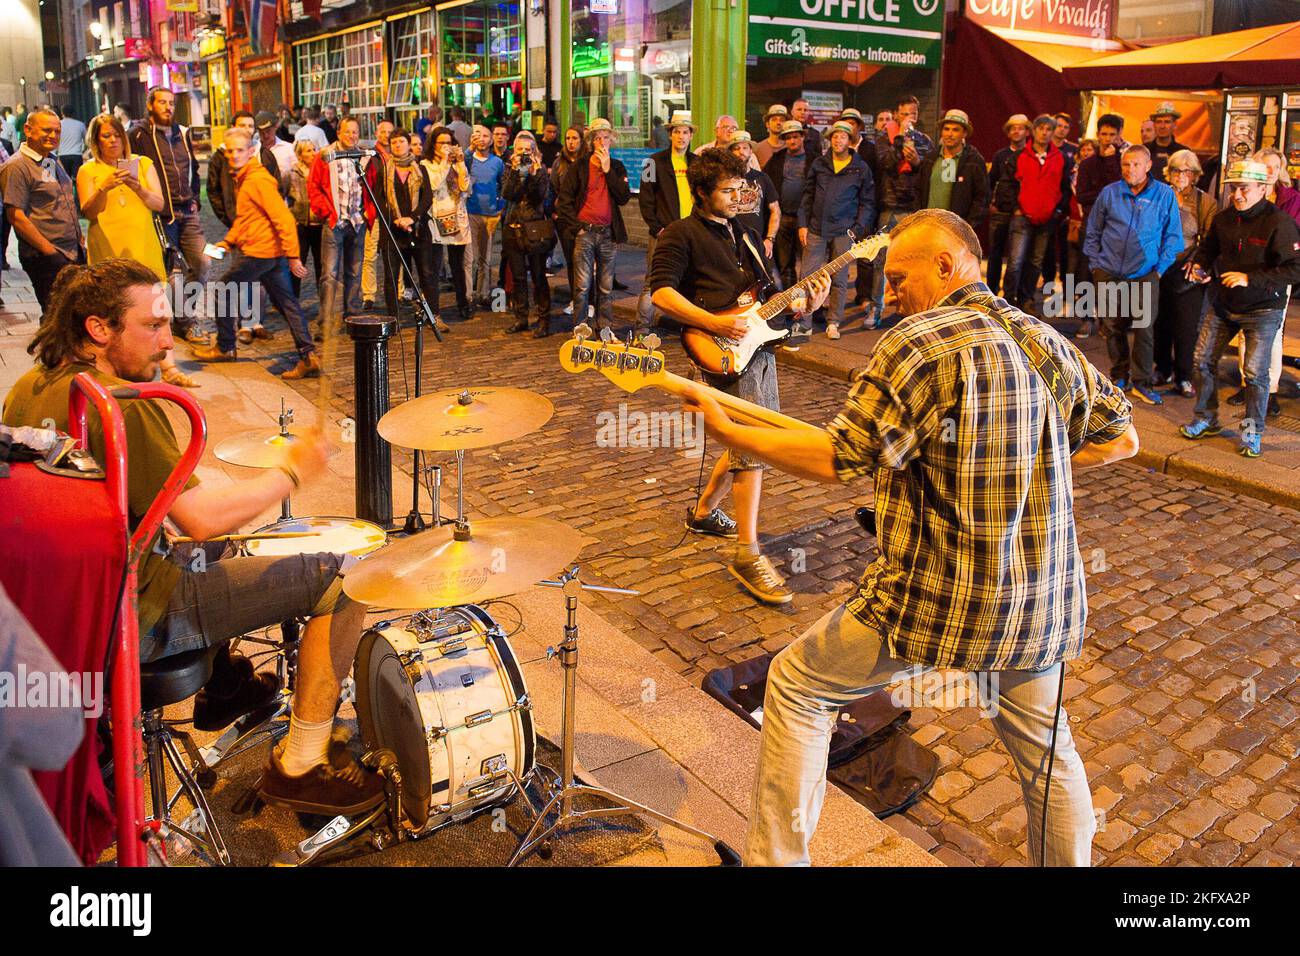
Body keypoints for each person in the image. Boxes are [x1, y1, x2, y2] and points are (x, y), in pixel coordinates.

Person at [680, 207, 1137, 867]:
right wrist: (1016, 456)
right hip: (1039, 598)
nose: (888, 291)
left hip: (932, 592)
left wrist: (727, 432)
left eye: (898, 276)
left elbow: (841, 458)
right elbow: (1121, 438)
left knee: (798, 684)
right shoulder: (1047, 340)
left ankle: (777, 861)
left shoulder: (918, 341)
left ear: (947, 264)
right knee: (1047, 755)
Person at [3, 260, 386, 815]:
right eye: (153, 327)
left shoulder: (27, 387)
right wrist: (293, 470)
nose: (166, 342)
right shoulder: (118, 405)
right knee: (342, 577)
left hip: (76, 606)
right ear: (98, 329)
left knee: (226, 555)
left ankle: (225, 685)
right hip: (140, 609)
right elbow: (202, 517)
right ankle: (302, 764)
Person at [651, 150, 832, 606]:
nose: (739, 197)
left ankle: (704, 511)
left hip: (759, 350)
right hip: (719, 349)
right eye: (729, 191)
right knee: (752, 448)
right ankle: (747, 552)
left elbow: (767, 297)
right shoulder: (680, 234)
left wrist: (804, 306)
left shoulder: (748, 232)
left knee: (748, 441)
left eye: (742, 189)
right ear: (702, 192)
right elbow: (662, 294)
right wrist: (713, 324)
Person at [1179, 160, 1300, 458]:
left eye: (1244, 189)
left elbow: (1295, 269)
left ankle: (1251, 432)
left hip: (1263, 309)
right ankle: (1206, 418)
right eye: (1233, 189)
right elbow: (1209, 249)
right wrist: (1200, 267)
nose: (1237, 195)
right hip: (1224, 303)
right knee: (1202, 361)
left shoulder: (1280, 223)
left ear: (1264, 189)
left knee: (1255, 374)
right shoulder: (1224, 218)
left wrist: (1251, 278)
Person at [76, 112, 197, 389]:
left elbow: (158, 203)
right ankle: (120, 364)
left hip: (143, 245)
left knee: (156, 304)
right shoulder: (88, 170)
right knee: (112, 308)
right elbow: (89, 211)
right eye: (106, 136)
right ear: (96, 141)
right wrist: (103, 189)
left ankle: (168, 366)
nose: (113, 140)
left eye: (117, 134)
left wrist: (137, 187)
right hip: (108, 247)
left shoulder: (142, 164)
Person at [193, 128, 316, 379]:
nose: (234, 155)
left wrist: (293, 256)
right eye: (230, 151)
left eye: (240, 150)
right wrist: (226, 243)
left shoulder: (257, 180)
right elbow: (246, 219)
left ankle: (225, 347)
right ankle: (309, 356)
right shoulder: (246, 179)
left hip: (261, 251)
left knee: (223, 289)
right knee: (288, 304)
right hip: (267, 252)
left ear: (251, 152)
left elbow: (283, 218)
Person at [1083, 144, 1183, 406]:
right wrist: (1096, 265)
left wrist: (1159, 270)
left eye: (1136, 164)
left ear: (1148, 166)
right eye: (1126, 164)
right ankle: (1119, 376)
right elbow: (1093, 229)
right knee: (1111, 325)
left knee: (1144, 328)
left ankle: (1142, 381)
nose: (1130, 169)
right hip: (1108, 271)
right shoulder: (1110, 193)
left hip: (1145, 273)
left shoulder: (1164, 195)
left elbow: (1173, 237)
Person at [1226, 147, 1300, 416]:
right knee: (1247, 332)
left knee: (1273, 335)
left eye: (1273, 168)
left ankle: (1271, 390)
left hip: (1277, 276)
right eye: (1263, 167)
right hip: (1247, 274)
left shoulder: (1290, 199)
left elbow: (1287, 234)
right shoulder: (1245, 196)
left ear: (1280, 171)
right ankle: (1247, 385)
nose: (1269, 172)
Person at [129, 86, 207, 343]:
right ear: (150, 105)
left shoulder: (181, 133)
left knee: (203, 263)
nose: (168, 107)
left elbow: (193, 169)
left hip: (188, 211)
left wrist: (195, 198)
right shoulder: (137, 135)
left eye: (171, 103)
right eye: (162, 102)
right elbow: (131, 172)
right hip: (161, 214)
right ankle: (188, 324)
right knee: (172, 272)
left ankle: (180, 313)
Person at [1, 109, 85, 313]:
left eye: (57, 131)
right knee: (56, 316)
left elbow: (61, 201)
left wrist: (79, 240)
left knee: (71, 314)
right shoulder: (17, 166)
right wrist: (49, 251)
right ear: (28, 130)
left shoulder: (51, 159)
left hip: (72, 251)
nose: (53, 136)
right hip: (46, 256)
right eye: (47, 130)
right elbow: (16, 216)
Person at [798, 120, 875, 339]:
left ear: (850, 141)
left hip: (844, 231)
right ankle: (805, 322)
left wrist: (857, 229)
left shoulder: (860, 167)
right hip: (815, 228)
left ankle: (834, 322)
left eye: (843, 136)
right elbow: (808, 195)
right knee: (808, 276)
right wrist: (802, 223)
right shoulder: (820, 164)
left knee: (840, 279)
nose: (838, 140)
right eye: (834, 136)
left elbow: (867, 202)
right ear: (830, 139)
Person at [364, 128, 444, 334]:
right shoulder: (385, 169)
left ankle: (434, 315)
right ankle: (394, 319)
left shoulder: (420, 168)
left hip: (418, 230)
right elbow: (378, 199)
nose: (398, 145)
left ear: (409, 144)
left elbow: (427, 198)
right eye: (394, 142)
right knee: (391, 276)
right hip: (393, 230)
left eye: (401, 141)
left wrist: (413, 217)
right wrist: (396, 219)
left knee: (427, 273)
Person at [555, 118, 630, 334]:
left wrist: (608, 171)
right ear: (590, 141)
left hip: (607, 233)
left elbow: (623, 197)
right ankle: (581, 328)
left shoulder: (616, 166)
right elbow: (565, 199)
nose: (602, 142)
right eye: (597, 138)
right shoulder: (579, 166)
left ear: (611, 140)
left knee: (605, 287)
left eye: (606, 138)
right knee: (582, 286)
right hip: (585, 232)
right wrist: (576, 227)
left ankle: (605, 327)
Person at [1153, 149, 1216, 398]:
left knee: (1186, 327)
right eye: (1177, 169)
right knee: (1159, 323)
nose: (1181, 175)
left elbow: (1212, 239)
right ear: (1169, 172)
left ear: (1196, 175)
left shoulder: (1205, 203)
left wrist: (1200, 262)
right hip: (1159, 267)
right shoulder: (1158, 196)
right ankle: (1163, 369)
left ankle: (1184, 376)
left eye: (1187, 171)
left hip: (1189, 271)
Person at [308, 116, 374, 333]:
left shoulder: (363, 156)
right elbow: (314, 187)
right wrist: (325, 212)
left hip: (357, 221)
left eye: (355, 132)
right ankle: (327, 318)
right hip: (335, 221)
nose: (352, 136)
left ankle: (352, 314)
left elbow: (372, 187)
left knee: (355, 271)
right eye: (347, 131)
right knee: (329, 273)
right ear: (338, 133)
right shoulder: (325, 156)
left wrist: (368, 213)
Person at [871, 95, 934, 322]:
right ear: (897, 115)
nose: (910, 118)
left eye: (914, 114)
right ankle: (875, 309)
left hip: (912, 208)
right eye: (906, 114)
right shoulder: (884, 138)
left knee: (913, 263)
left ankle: (909, 311)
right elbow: (885, 163)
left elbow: (929, 171)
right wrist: (899, 142)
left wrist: (918, 162)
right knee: (881, 261)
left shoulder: (924, 140)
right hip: (889, 207)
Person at [1002, 114, 1071, 314]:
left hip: (1047, 218)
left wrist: (1058, 211)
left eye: (1048, 129)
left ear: (1053, 132)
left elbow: (1065, 187)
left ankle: (1026, 299)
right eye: (1040, 128)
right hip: (1021, 216)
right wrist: (1015, 207)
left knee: (1035, 262)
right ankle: (1007, 301)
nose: (1044, 132)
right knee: (1015, 262)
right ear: (1034, 131)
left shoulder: (1060, 158)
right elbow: (1010, 185)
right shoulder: (1020, 155)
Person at [637, 110, 697, 333]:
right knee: (652, 281)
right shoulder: (652, 162)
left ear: (691, 136)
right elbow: (645, 199)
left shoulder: (697, 163)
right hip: (663, 232)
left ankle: (690, 328)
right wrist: (656, 227)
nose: (681, 136)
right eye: (677, 132)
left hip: (691, 232)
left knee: (691, 280)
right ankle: (642, 329)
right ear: (670, 134)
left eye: (685, 132)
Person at [501, 131, 553, 337]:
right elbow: (507, 194)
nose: (524, 154)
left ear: (535, 152)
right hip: (513, 228)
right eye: (520, 150)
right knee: (519, 277)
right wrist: (516, 171)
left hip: (534, 229)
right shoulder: (509, 168)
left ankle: (543, 319)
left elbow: (539, 196)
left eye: (528, 150)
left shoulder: (540, 171)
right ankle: (521, 318)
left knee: (539, 276)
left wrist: (533, 173)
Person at [421, 126, 473, 324]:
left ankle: (463, 303)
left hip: (457, 216)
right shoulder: (426, 164)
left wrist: (460, 164)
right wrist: (445, 161)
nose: (445, 147)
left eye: (448, 143)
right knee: (433, 267)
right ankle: (433, 311)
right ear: (433, 145)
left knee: (458, 264)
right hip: (436, 218)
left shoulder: (455, 163)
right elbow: (434, 184)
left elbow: (466, 187)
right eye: (441, 143)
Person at [915, 109, 988, 231]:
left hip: (956, 230)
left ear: (964, 133)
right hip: (927, 225)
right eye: (946, 129)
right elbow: (917, 189)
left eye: (955, 130)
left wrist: (967, 226)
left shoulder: (974, 161)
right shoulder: (930, 158)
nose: (949, 134)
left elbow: (982, 197)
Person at [762, 120, 812, 292]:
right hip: (783, 217)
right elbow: (766, 183)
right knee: (785, 263)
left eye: (795, 137)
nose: (792, 141)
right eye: (788, 138)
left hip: (806, 220)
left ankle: (809, 303)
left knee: (808, 265)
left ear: (802, 137)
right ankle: (790, 303)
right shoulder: (777, 159)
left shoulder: (814, 159)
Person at [208, 111, 280, 229]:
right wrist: (229, 218)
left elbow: (277, 185)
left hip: (264, 221)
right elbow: (213, 191)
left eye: (250, 126)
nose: (246, 129)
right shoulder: (220, 157)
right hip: (236, 221)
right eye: (242, 125)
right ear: (233, 127)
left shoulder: (265, 154)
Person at [986, 114, 1029, 298]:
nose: (1016, 131)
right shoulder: (1000, 155)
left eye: (1020, 127)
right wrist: (990, 203)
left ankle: (1011, 296)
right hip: (1000, 211)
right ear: (1008, 132)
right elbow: (990, 181)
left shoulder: (1031, 155)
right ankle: (991, 292)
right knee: (995, 254)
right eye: (1013, 128)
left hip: (1022, 213)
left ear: (1027, 131)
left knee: (1017, 259)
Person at [464, 123, 505, 313]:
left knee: (485, 258)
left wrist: (500, 208)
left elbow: (503, 185)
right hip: (471, 212)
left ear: (491, 140)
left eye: (486, 136)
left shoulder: (497, 162)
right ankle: (468, 295)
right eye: (478, 135)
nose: (482, 139)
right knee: (469, 257)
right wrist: (469, 148)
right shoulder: (469, 159)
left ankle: (484, 293)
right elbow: (461, 165)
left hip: (490, 214)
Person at [727, 131, 780, 264]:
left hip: (758, 243)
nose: (741, 152)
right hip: (730, 243)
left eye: (745, 147)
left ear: (751, 151)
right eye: (736, 148)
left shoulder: (762, 178)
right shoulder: (724, 180)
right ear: (730, 152)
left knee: (768, 282)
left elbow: (775, 210)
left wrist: (770, 239)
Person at [361, 120, 395, 310]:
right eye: (383, 131)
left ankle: (399, 289)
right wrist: (367, 209)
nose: (387, 135)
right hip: (374, 212)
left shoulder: (397, 155)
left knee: (394, 254)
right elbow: (365, 185)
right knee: (370, 255)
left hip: (394, 213)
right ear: (377, 133)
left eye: (390, 132)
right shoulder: (370, 156)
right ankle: (369, 294)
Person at [550, 124, 584, 311]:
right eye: (568, 138)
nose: (571, 142)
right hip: (565, 218)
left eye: (575, 138)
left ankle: (589, 301)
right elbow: (553, 188)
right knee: (571, 260)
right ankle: (575, 299)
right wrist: (555, 211)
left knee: (585, 262)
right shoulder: (559, 163)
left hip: (584, 217)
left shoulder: (587, 161)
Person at [288, 139, 325, 300]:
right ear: (300, 155)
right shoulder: (292, 172)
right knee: (297, 263)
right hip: (300, 224)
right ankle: (292, 299)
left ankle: (323, 300)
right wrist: (291, 215)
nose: (313, 153)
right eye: (308, 150)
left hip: (319, 223)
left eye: (314, 149)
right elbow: (284, 195)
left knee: (321, 265)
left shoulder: (321, 170)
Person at [1147, 102, 1189, 184]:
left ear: (1175, 125)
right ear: (1154, 125)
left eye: (1167, 122)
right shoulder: (1144, 150)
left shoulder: (1184, 153)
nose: (1162, 126)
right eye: (1159, 122)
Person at [256, 110, 296, 196]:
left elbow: (296, 174)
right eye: (262, 132)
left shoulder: (288, 148)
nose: (266, 135)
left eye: (268, 131)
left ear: (276, 127)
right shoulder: (253, 150)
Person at [55, 107, 87, 185]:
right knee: (77, 179)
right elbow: (87, 140)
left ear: (62, 114)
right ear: (73, 114)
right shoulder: (80, 124)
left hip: (62, 155)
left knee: (65, 180)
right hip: (77, 155)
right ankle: (78, 195)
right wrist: (84, 151)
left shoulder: (58, 125)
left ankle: (68, 195)